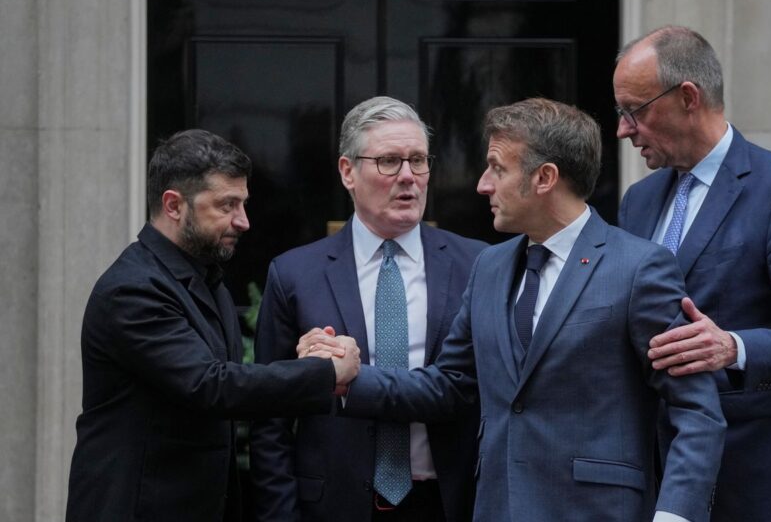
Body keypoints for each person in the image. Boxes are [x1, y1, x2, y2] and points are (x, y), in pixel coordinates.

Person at [307, 97, 726, 522]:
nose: (482, 185)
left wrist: (675, 515)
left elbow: (696, 412)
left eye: (497, 168)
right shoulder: (489, 267)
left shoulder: (639, 268)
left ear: (544, 178)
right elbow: (449, 385)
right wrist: (348, 377)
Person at [613, 25, 771, 521]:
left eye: (634, 111)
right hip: (653, 479)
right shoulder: (639, 201)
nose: (623, 129)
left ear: (688, 97)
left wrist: (733, 347)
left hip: (752, 478)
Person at [65, 129, 360, 522]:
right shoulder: (132, 289)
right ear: (174, 205)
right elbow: (210, 386)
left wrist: (305, 357)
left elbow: (226, 382)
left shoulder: (207, 278)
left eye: (243, 204)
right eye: (227, 205)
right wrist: (323, 372)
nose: (244, 221)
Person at [249, 97, 488, 522]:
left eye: (418, 160)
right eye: (389, 161)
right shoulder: (295, 274)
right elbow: (270, 419)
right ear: (348, 172)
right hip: (333, 505)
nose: (408, 177)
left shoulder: (479, 265)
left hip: (450, 503)